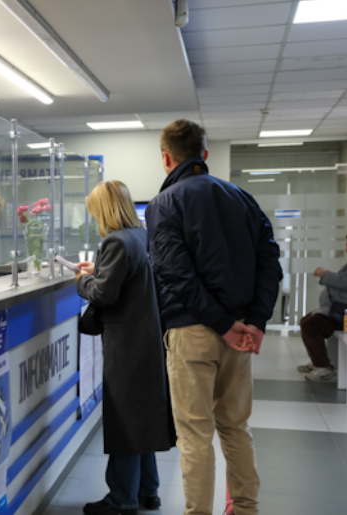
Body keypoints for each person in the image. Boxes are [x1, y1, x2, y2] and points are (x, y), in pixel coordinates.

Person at [146, 119, 282, 515]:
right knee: (236, 427)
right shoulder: (243, 199)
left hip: (193, 333)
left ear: (166, 158)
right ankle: (246, 509)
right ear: (204, 154)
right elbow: (270, 264)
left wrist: (222, 324)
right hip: (240, 335)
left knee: (195, 435)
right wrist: (255, 322)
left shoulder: (164, 204)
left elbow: (175, 273)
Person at [76, 180, 175, 515]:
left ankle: (122, 498)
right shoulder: (139, 236)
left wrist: (82, 280)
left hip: (126, 346)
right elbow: (127, 278)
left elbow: (103, 294)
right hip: (146, 342)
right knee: (141, 419)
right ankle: (148, 491)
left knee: (124, 420)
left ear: (104, 210)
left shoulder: (115, 240)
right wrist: (100, 271)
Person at [297, 234, 347, 382]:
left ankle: (324, 367)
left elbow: (342, 282)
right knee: (307, 321)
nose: (346, 249)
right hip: (340, 313)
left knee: (311, 325)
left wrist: (324, 274)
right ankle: (318, 362)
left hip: (345, 316)